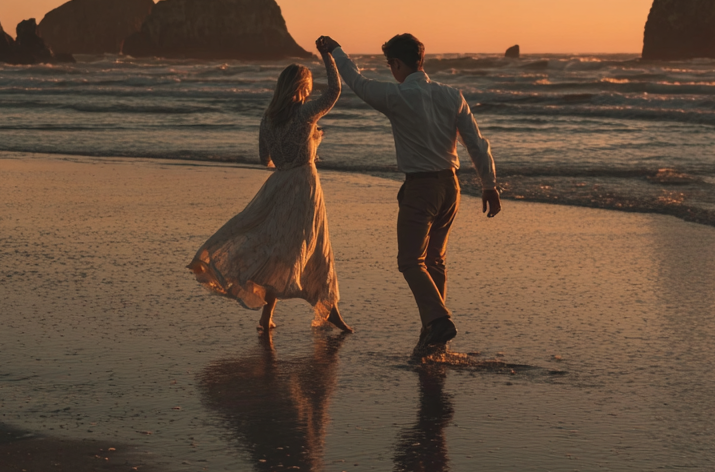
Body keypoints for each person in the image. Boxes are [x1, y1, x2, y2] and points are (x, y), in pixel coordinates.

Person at [315, 32, 500, 351]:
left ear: (398, 64)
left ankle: (438, 319)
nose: (391, 71)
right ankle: (434, 331)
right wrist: (489, 184)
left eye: (391, 65)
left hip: (421, 188)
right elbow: (476, 144)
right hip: (451, 187)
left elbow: (357, 82)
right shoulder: (452, 95)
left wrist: (335, 50)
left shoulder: (396, 96)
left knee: (410, 261)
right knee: (435, 260)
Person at [189, 43, 352, 334]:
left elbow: (265, 159)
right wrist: (328, 54)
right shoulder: (303, 115)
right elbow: (335, 91)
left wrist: (286, 152)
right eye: (309, 86)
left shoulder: (268, 119)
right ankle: (330, 311)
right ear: (302, 87)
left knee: (278, 250)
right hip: (303, 187)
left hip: (277, 185)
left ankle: (268, 317)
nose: (311, 91)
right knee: (315, 249)